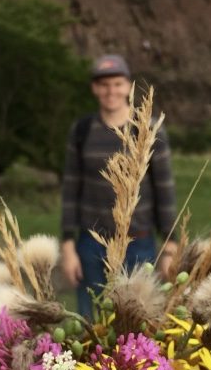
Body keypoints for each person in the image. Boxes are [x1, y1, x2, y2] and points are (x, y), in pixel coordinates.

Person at [60, 53, 178, 318]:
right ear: (94, 88)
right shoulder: (82, 131)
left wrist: (170, 245)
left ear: (128, 86)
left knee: (138, 322)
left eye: (117, 83)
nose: (110, 91)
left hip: (139, 243)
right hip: (91, 244)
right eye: (103, 84)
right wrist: (68, 246)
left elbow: (165, 188)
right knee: (90, 321)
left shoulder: (147, 129)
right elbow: (70, 189)